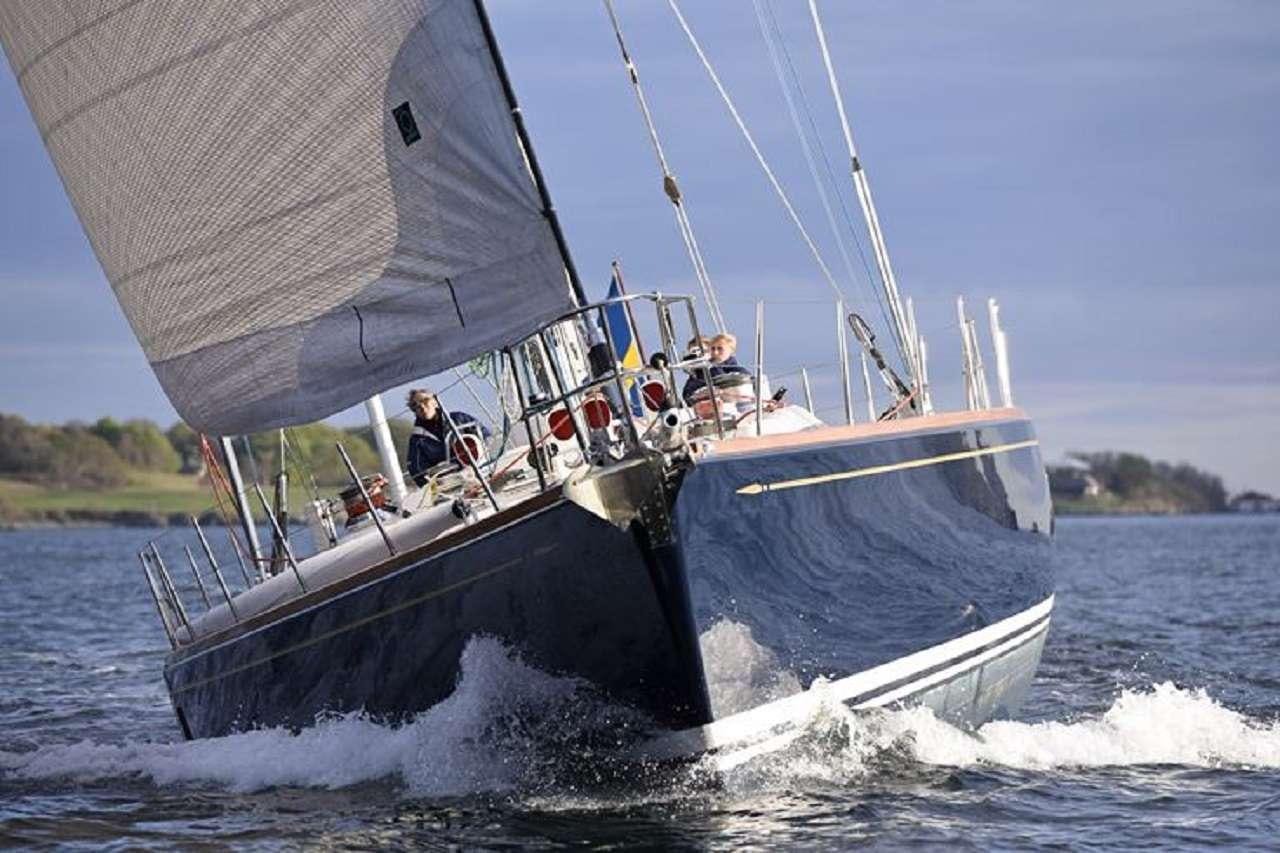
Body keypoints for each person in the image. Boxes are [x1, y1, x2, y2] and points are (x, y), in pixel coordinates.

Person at [405, 389, 490, 487]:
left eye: (425, 400)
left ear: (435, 402)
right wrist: (433, 487)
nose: (422, 407)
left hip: (481, 471)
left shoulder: (459, 419)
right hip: (452, 485)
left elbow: (485, 436)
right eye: (416, 406)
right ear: (414, 411)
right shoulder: (417, 440)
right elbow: (417, 471)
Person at [682, 332, 750, 403]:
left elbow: (721, 380)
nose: (715, 352)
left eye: (704, 351)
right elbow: (688, 396)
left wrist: (712, 366)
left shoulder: (735, 369)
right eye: (693, 353)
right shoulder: (696, 375)